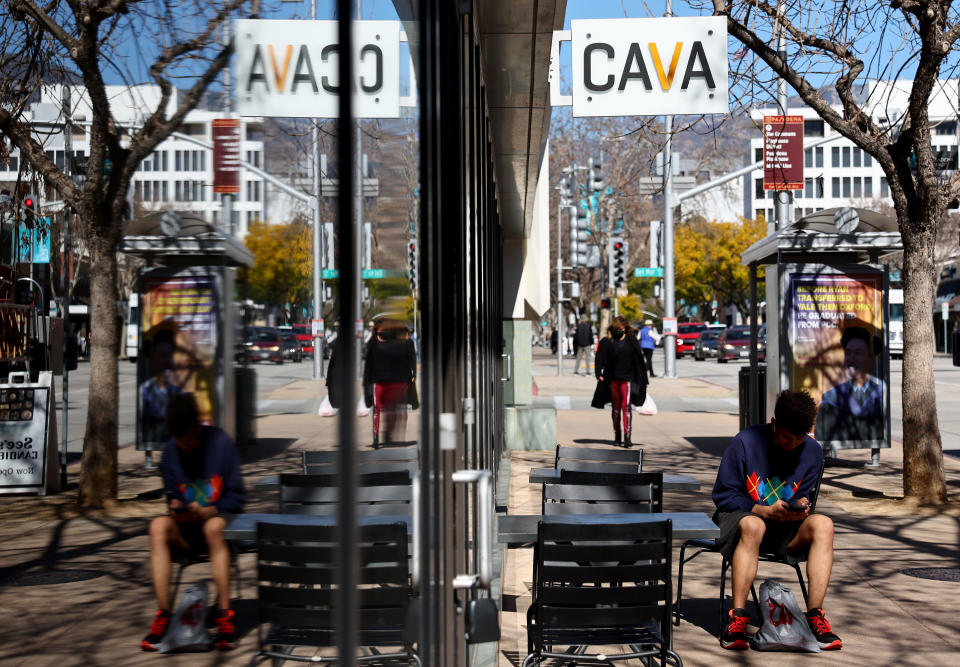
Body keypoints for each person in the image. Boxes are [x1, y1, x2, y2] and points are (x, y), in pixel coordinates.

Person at [713, 390, 841, 651]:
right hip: (743, 522)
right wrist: (760, 510)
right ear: (774, 424)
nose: (792, 444)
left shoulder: (813, 452)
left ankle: (815, 615)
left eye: (799, 439)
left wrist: (802, 507)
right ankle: (737, 618)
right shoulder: (746, 441)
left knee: (824, 524)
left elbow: (804, 494)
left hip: (785, 529)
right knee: (754, 525)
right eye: (786, 437)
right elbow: (723, 494)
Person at [141, 393, 246, 652]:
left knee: (213, 527)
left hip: (218, 527)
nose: (185, 446)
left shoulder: (220, 443)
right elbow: (173, 495)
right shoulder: (170, 454)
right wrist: (176, 507)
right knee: (157, 526)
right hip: (186, 531)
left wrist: (212, 510)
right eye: (180, 442)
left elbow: (238, 496)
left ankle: (224, 615)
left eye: (189, 440)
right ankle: (163, 614)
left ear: (198, 428)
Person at [815, 325, 883, 444]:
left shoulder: (881, 392)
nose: (851, 359)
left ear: (871, 359)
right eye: (848, 353)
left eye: (858, 353)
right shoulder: (831, 397)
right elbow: (822, 435)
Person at [592, 316, 648, 447]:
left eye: (621, 329)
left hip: (627, 379)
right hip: (612, 379)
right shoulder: (607, 341)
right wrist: (598, 373)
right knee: (616, 408)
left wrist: (643, 379)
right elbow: (599, 358)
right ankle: (617, 434)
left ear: (625, 329)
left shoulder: (631, 340)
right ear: (612, 329)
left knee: (626, 407)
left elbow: (640, 359)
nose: (618, 331)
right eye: (616, 329)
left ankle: (627, 436)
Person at [363, 318, 417, 447]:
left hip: (381, 381)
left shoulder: (375, 343)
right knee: (394, 409)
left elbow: (369, 365)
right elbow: (410, 361)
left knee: (381, 409)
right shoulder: (403, 343)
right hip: (392, 381)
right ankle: (387, 434)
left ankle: (379, 435)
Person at [140, 332, 182, 447]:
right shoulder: (144, 392)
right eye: (162, 356)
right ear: (152, 360)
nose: (167, 361)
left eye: (170, 356)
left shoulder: (180, 394)